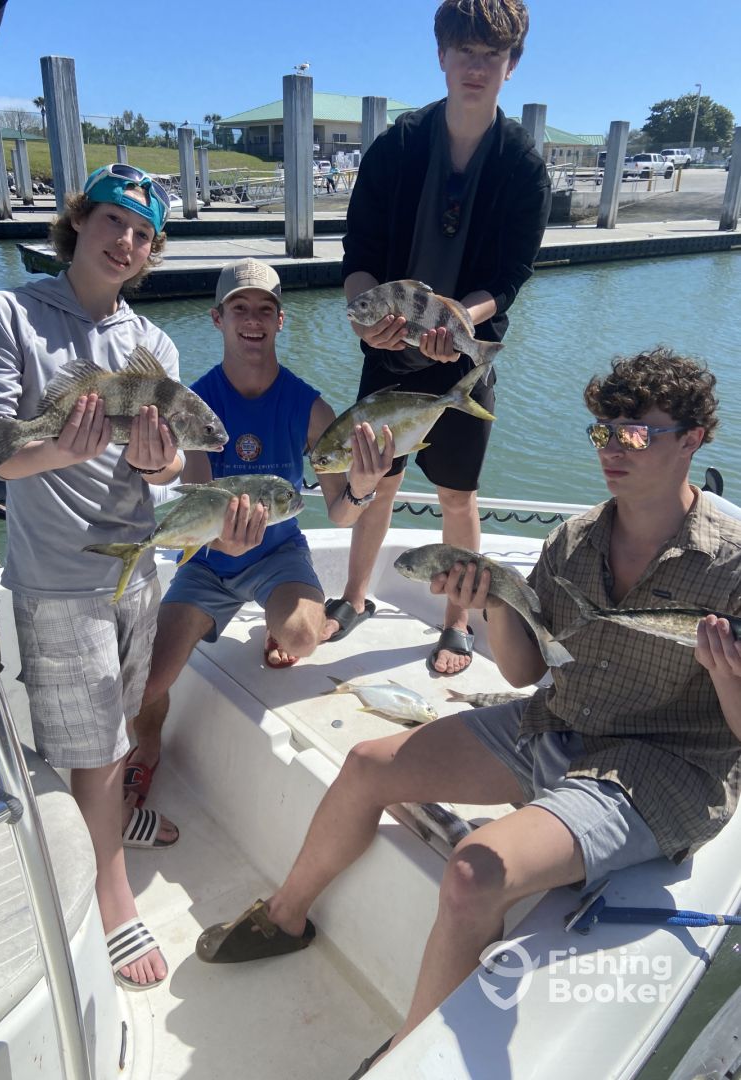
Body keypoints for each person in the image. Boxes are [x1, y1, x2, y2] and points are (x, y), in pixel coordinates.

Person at [194, 348, 741, 1077]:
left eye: (635, 433)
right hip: (559, 720)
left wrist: (727, 676)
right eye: (602, 432)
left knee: (473, 873)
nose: (613, 449)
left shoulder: (732, 563)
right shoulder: (573, 541)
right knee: (366, 766)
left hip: (658, 768)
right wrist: (492, 607)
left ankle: (407, 1056)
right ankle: (285, 917)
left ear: (692, 439)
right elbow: (523, 672)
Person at [0, 163, 185, 991]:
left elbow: (169, 469)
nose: (126, 242)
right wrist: (59, 448)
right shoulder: (9, 314)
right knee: (92, 746)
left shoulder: (153, 343)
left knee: (119, 720)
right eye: (114, 220)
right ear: (79, 221)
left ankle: (110, 821)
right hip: (58, 578)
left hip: (135, 569)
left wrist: (160, 465)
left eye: (144, 234)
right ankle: (112, 898)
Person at [322, 0, 552, 677]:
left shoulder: (522, 166)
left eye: (492, 54)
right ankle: (354, 596)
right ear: (441, 55)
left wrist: (461, 320)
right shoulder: (396, 147)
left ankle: (457, 620)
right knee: (378, 481)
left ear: (512, 64)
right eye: (465, 51)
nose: (476, 66)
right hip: (387, 351)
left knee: (458, 494)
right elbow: (359, 252)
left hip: (463, 355)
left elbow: (509, 276)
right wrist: (364, 316)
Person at [125, 257, 394, 804]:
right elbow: (197, 500)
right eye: (239, 308)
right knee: (147, 684)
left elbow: (341, 513)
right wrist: (217, 540)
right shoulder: (196, 405)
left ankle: (278, 624)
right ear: (217, 318)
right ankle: (147, 748)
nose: (253, 319)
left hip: (277, 554)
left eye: (265, 309)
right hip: (207, 563)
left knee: (303, 637)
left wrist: (363, 487)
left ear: (280, 320)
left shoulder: (311, 408)